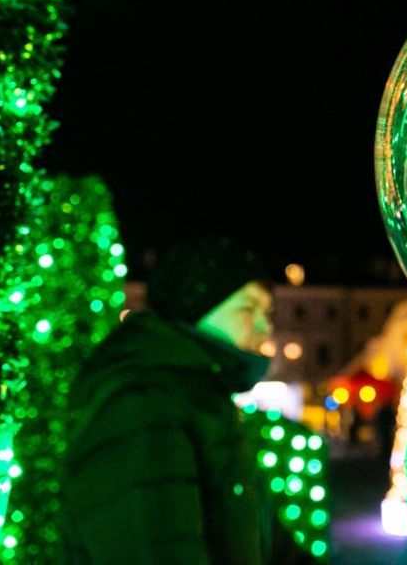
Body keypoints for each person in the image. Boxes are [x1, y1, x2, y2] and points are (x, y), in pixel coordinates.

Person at [60, 238, 279, 564]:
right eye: (248, 308)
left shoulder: (201, 396)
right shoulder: (142, 404)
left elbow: (255, 537)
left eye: (267, 311)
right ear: (197, 307)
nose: (265, 326)